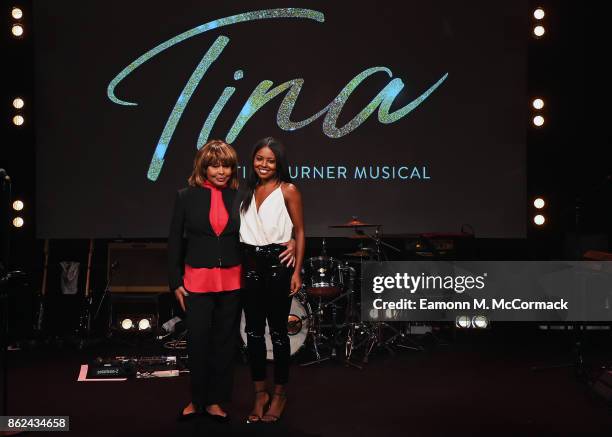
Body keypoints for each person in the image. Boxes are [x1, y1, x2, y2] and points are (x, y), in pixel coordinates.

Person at [167, 139, 294, 423]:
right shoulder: (185, 196)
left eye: (226, 165)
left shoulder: (241, 195)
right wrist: (175, 281)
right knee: (198, 343)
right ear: (203, 166)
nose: (221, 171)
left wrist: (294, 239)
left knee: (225, 345)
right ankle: (196, 399)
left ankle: (215, 401)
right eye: (214, 165)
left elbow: (269, 224)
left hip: (233, 281)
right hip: (196, 281)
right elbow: (175, 241)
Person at [240, 137, 305, 424]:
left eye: (270, 160)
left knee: (278, 334)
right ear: (252, 160)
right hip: (250, 264)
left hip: (279, 265)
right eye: (259, 159)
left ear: (278, 163)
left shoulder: (288, 190)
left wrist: (297, 270)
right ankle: (259, 394)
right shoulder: (245, 190)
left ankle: (279, 395)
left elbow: (301, 231)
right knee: (252, 334)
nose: (263, 164)